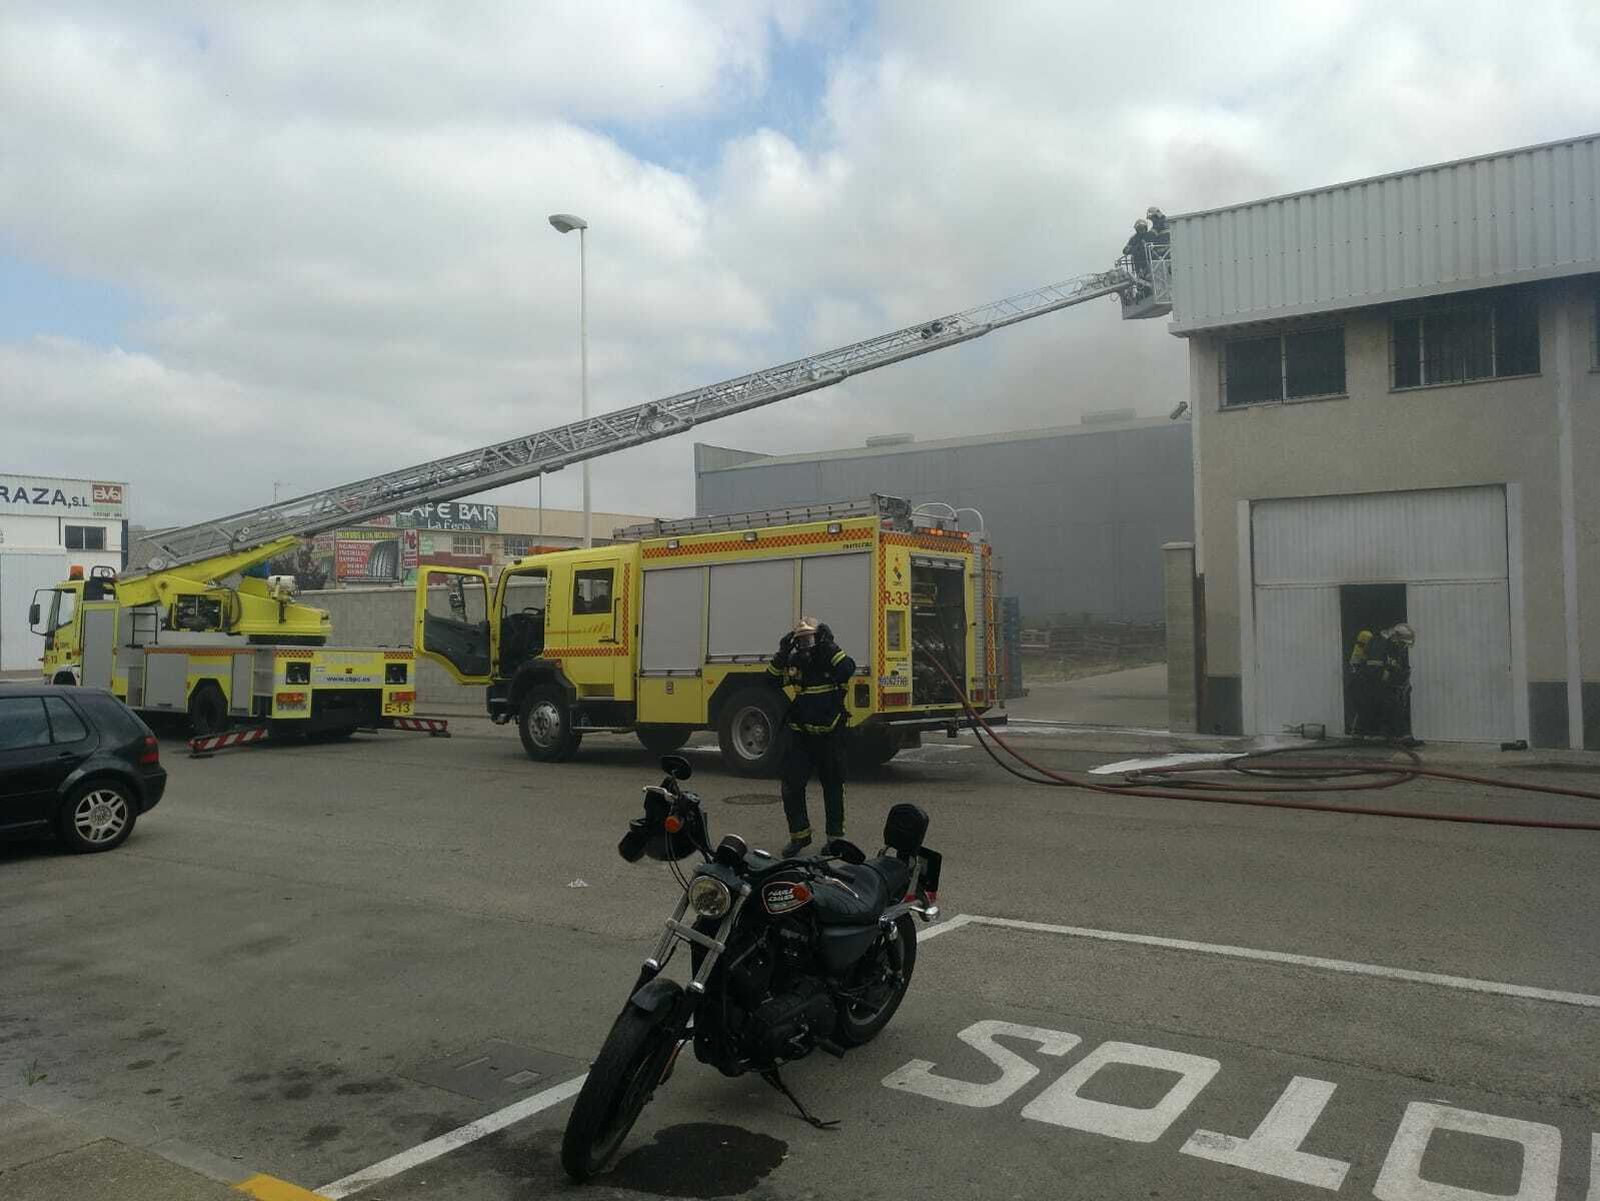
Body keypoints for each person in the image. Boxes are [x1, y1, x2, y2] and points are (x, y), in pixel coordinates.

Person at [767, 616, 855, 857]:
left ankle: (835, 839)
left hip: (830, 736)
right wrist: (782, 653)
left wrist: (831, 646)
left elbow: (848, 669)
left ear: (819, 638)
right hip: (801, 736)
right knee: (791, 785)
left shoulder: (829, 657)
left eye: (809, 639)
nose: (805, 644)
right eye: (800, 640)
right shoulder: (795, 661)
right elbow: (771, 680)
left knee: (833, 786)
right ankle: (799, 836)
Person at [1353, 623, 1417, 742]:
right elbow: (1374, 669)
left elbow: (1399, 668)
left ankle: (1389, 735)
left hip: (1384, 685)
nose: (1403, 646)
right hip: (1371, 684)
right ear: (1396, 637)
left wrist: (1402, 680)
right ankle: (1395, 735)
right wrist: (1389, 678)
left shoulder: (1394, 649)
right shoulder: (1379, 643)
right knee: (1380, 705)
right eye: (1402, 643)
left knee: (1389, 705)